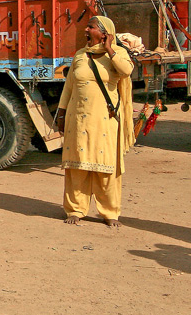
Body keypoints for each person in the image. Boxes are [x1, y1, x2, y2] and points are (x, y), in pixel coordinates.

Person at [57, 16, 134, 227]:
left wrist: (109, 48)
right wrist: (62, 113)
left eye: (90, 27)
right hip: (78, 119)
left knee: (106, 167)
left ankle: (110, 213)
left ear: (104, 32)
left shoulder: (118, 54)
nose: (86, 30)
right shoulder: (80, 56)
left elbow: (126, 71)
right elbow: (69, 87)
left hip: (105, 121)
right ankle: (75, 210)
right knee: (77, 167)